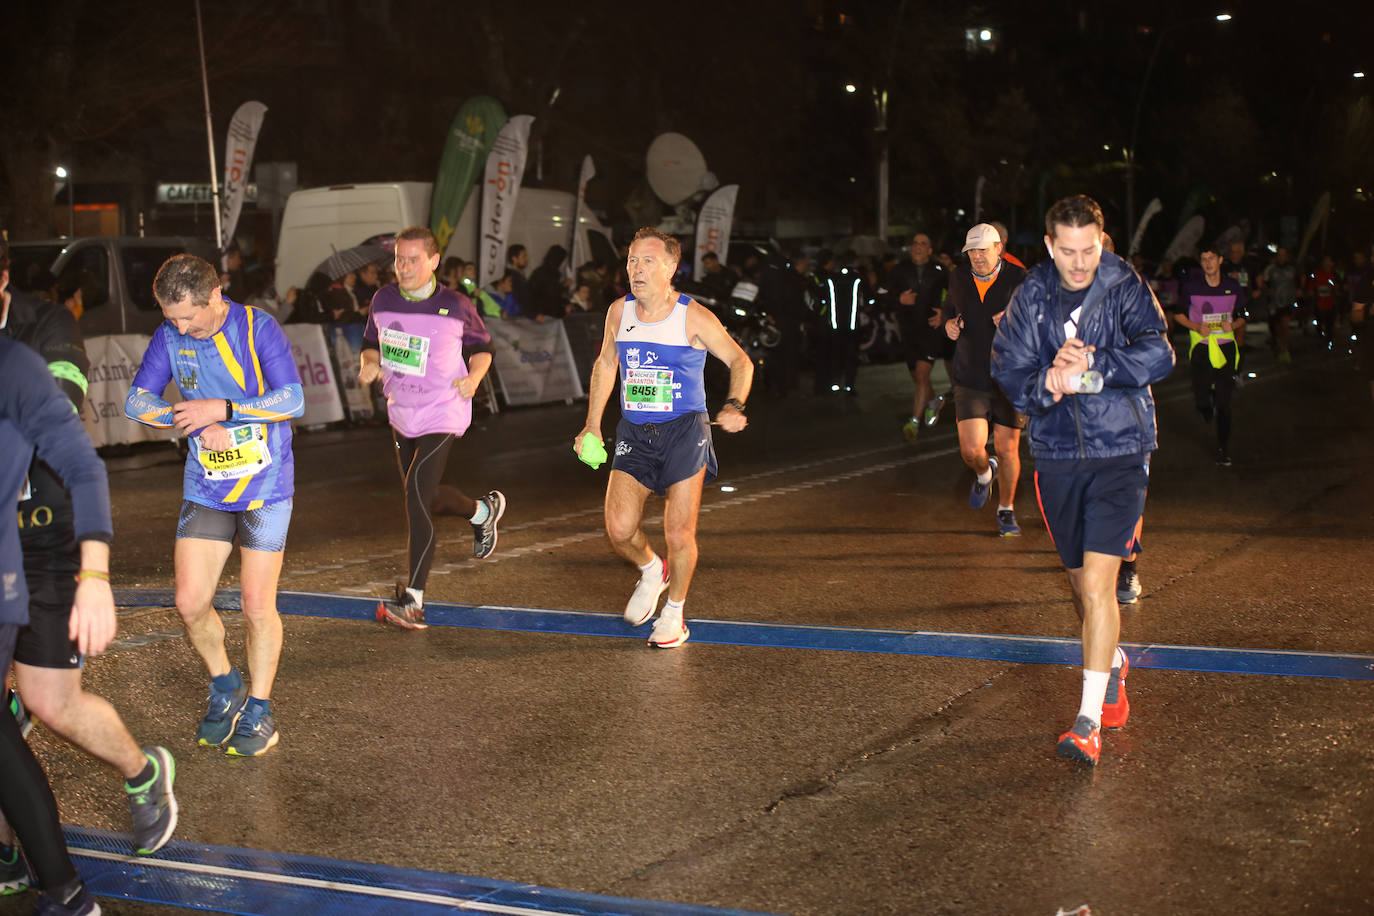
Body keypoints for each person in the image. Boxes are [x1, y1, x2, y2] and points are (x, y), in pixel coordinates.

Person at [1, 242, 178, 874]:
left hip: (46, 538)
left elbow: (61, 424)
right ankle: (12, 847)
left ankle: (141, 770)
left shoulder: (47, 326)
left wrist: (95, 574)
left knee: (52, 703)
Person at [991, 193, 1175, 767]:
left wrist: (1093, 369)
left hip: (1122, 448)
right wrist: (1049, 378)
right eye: (1067, 251)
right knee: (1079, 588)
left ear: (1102, 241)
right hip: (1057, 454)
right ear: (1049, 246)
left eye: (1089, 250)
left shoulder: (1124, 285)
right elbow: (1009, 370)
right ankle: (1112, 659)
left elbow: (1160, 353)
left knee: (1099, 586)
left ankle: (1087, 720)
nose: (1079, 263)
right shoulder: (1032, 296)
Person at [125, 253, 304, 757]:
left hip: (265, 486)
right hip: (206, 484)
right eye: (169, 317)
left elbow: (292, 399)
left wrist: (223, 408)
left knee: (255, 604)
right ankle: (225, 685)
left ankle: (261, 710)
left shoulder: (257, 328)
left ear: (216, 297)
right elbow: (136, 401)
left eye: (188, 316)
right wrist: (189, 419)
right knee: (189, 601)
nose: (179, 327)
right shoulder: (171, 335)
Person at [574, 228, 752, 649]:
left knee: (679, 533)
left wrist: (735, 405)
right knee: (619, 529)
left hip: (684, 431)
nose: (636, 268)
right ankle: (653, 569)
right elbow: (605, 365)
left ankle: (675, 614)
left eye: (647, 261)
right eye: (632, 260)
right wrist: (592, 424)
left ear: (671, 268)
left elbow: (740, 361)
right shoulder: (619, 312)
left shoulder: (693, 316)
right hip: (634, 431)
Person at [359, 227, 503, 630]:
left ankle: (414, 601)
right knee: (426, 496)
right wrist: (368, 363)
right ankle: (481, 511)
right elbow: (370, 342)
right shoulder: (382, 299)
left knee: (414, 496)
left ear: (434, 261)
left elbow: (483, 350)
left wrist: (473, 381)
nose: (403, 267)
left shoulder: (455, 304)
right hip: (402, 411)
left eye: (412, 259)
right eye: (399, 259)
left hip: (444, 409)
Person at [943, 223, 1028, 536]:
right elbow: (950, 311)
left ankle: (1006, 510)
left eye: (983, 250)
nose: (977, 257)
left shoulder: (1019, 279)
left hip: (1009, 377)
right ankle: (983, 472)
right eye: (972, 251)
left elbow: (1040, 322)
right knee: (970, 450)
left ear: (998, 249)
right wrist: (950, 325)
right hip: (970, 375)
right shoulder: (958, 278)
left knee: (1007, 449)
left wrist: (1014, 318)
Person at [1176, 245, 1246, 467]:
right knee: (1202, 398)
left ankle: (1223, 449)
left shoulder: (1232, 286)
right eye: (1204, 259)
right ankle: (1206, 405)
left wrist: (1232, 324)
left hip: (1225, 348)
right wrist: (1196, 326)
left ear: (1220, 260)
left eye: (1212, 258)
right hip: (1201, 348)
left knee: (1225, 403)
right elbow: (1177, 315)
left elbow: (1244, 314)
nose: (1208, 263)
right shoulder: (1191, 287)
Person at [886, 233, 950, 439]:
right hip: (909, 331)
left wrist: (944, 313)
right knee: (917, 376)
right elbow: (879, 293)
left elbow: (957, 294)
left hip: (931, 330)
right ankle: (934, 401)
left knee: (922, 374)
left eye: (923, 243)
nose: (918, 247)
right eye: (915, 243)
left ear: (930, 250)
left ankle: (914, 422)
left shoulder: (940, 271)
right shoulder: (899, 270)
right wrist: (898, 299)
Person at [754, 251, 811, 397]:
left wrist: (769, 315)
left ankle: (772, 385)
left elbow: (765, 297)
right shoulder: (790, 278)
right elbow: (795, 302)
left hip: (775, 320)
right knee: (785, 354)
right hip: (787, 321)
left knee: (774, 353)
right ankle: (783, 386)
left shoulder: (770, 276)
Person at [1260, 247, 1299, 362]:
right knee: (1277, 329)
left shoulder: (1292, 269)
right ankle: (1279, 348)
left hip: (1287, 302)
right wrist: (1267, 291)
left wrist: (1298, 291)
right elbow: (1263, 283)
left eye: (1283, 255)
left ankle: (1285, 350)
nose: (1281, 258)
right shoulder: (1270, 270)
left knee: (1285, 326)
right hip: (1274, 304)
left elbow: (1299, 281)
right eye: (1279, 255)